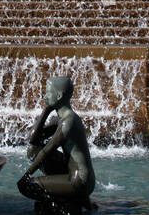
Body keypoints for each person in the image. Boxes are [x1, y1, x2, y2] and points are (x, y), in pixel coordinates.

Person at [17, 76, 96, 208]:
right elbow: (33, 140)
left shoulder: (68, 122)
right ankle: (73, 200)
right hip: (73, 174)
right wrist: (46, 110)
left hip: (79, 181)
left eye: (48, 92)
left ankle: (62, 207)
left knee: (28, 186)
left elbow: (47, 151)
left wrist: (26, 175)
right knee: (33, 150)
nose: (44, 96)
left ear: (58, 96)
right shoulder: (60, 118)